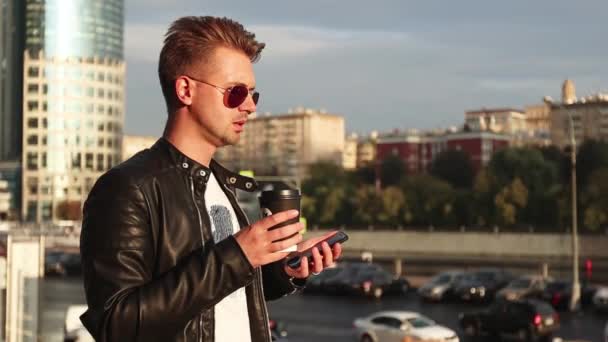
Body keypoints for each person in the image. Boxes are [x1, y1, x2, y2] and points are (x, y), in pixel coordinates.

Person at [79, 16, 342, 342]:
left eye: (252, 95)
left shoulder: (225, 188)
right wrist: (237, 255)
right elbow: (116, 324)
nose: (249, 107)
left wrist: (285, 270)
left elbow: (222, 300)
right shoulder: (127, 188)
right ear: (186, 89)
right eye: (235, 93)